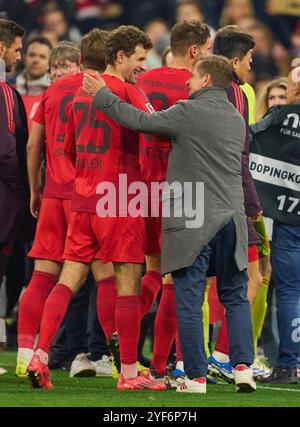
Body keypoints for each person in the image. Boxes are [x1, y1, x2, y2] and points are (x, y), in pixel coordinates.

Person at [84, 54, 256, 394]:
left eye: (192, 77)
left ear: (206, 80)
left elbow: (140, 121)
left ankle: (195, 377)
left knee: (189, 298)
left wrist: (103, 95)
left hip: (194, 217)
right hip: (232, 218)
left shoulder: (188, 111)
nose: (187, 82)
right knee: (236, 296)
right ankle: (242, 368)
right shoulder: (237, 119)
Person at [26, 25, 167, 392]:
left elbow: (68, 150)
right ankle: (130, 373)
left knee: (68, 278)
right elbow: (157, 127)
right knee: (126, 285)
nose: (142, 66)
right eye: (139, 59)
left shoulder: (76, 97)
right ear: (119, 56)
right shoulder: (128, 92)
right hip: (120, 199)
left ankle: (39, 356)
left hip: (83, 198)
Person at [136, 20, 211, 383]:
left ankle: (125, 331)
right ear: (195, 50)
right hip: (183, 189)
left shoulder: (144, 79)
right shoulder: (196, 88)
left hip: (140, 185)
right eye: (208, 49)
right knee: (175, 278)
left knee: (152, 269)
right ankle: (160, 366)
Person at [16, 41, 82, 377]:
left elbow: (33, 144)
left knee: (43, 276)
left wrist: (35, 189)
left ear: (78, 64)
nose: (57, 72)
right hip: (83, 200)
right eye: (54, 67)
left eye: (62, 66)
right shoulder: (90, 94)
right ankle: (103, 357)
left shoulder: (49, 95)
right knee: (95, 276)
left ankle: (27, 354)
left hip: (53, 195)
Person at [209, 24, 265, 381]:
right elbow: (237, 154)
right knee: (248, 276)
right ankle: (220, 356)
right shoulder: (235, 93)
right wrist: (251, 201)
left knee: (212, 280)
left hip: (205, 196)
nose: (251, 66)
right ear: (233, 60)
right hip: (228, 197)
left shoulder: (216, 89)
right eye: (248, 59)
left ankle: (208, 358)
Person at [250, 66, 300, 384]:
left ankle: (289, 364)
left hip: (290, 219)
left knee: (291, 291)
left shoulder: (283, 118)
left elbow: (249, 137)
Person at [0, 18, 35, 374]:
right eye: (16, 49)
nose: (19, 57)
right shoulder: (4, 91)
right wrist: (24, 190)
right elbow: (8, 150)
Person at [16, 36, 52, 129]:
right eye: (32, 55)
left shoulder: (53, 96)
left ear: (50, 63)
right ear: (24, 58)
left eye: (42, 56)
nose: (36, 60)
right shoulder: (10, 92)